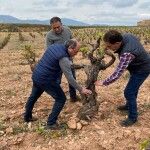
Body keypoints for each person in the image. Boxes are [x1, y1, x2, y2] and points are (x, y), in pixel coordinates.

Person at [24, 39, 92, 130]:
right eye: (76, 51)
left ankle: (27, 117)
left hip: (37, 74)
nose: (77, 54)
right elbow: (70, 78)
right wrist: (81, 89)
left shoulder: (54, 46)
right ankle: (51, 123)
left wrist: (79, 65)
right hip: (46, 79)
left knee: (33, 96)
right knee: (61, 99)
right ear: (70, 48)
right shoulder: (63, 58)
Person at [95, 30, 150, 127]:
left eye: (109, 46)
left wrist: (104, 82)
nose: (107, 48)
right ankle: (128, 105)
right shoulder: (126, 36)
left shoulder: (127, 53)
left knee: (128, 92)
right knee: (133, 90)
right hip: (138, 65)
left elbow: (117, 73)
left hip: (142, 69)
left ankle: (133, 117)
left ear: (117, 43)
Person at [45, 16, 78, 102]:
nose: (56, 29)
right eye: (54, 28)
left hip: (69, 59)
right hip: (57, 62)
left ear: (61, 24)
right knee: (56, 81)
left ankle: (73, 97)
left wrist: (73, 53)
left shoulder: (68, 30)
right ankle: (58, 98)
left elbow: (72, 42)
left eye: (58, 27)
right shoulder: (49, 35)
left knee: (72, 78)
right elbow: (49, 50)